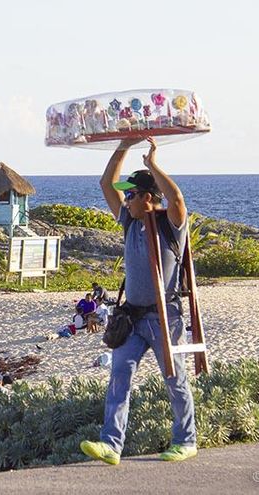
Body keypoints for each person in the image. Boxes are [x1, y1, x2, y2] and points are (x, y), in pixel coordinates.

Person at [80, 137, 197, 466]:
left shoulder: (170, 225)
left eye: (131, 194)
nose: (126, 200)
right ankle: (111, 445)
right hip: (132, 318)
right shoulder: (130, 221)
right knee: (119, 376)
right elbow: (106, 184)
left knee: (175, 380)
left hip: (164, 317)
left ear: (147, 196)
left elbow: (176, 198)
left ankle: (186, 441)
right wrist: (124, 145)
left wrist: (152, 165)